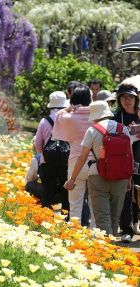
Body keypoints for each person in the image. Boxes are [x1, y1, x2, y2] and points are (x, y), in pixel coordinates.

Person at [64, 101, 130, 236]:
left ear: (94, 115)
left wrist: (72, 179)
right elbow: (130, 156)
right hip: (121, 178)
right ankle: (111, 248)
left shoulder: (93, 130)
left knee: (102, 216)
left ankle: (106, 248)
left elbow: (82, 158)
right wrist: (129, 178)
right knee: (114, 216)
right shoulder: (123, 129)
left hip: (98, 175)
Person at [52, 84, 94, 227]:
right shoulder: (96, 116)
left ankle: (74, 233)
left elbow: (58, 115)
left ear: (73, 98)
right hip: (96, 163)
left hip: (75, 163)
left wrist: (69, 108)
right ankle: (96, 236)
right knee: (95, 205)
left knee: (75, 204)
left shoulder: (69, 117)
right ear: (89, 99)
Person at [113, 83, 140, 242]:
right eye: (123, 97)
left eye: (130, 96)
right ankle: (126, 230)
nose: (127, 100)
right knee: (126, 195)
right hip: (124, 161)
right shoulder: (116, 118)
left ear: (136, 98)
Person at [34, 91, 69, 212]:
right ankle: (67, 222)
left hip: (47, 163)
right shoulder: (69, 120)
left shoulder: (44, 121)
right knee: (66, 194)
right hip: (66, 163)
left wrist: (44, 154)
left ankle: (44, 220)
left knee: (47, 193)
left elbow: (38, 143)